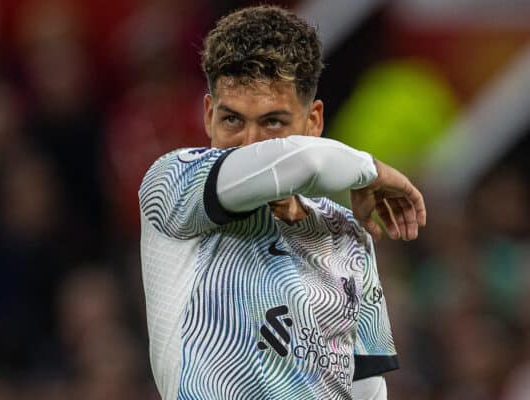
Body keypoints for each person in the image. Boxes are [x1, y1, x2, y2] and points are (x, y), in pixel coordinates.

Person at [139, 5, 426, 400]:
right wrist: (370, 169)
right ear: (208, 115)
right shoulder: (171, 185)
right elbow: (301, 161)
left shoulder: (346, 234)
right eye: (232, 120)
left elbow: (366, 387)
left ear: (313, 122)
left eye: (273, 122)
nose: (250, 144)